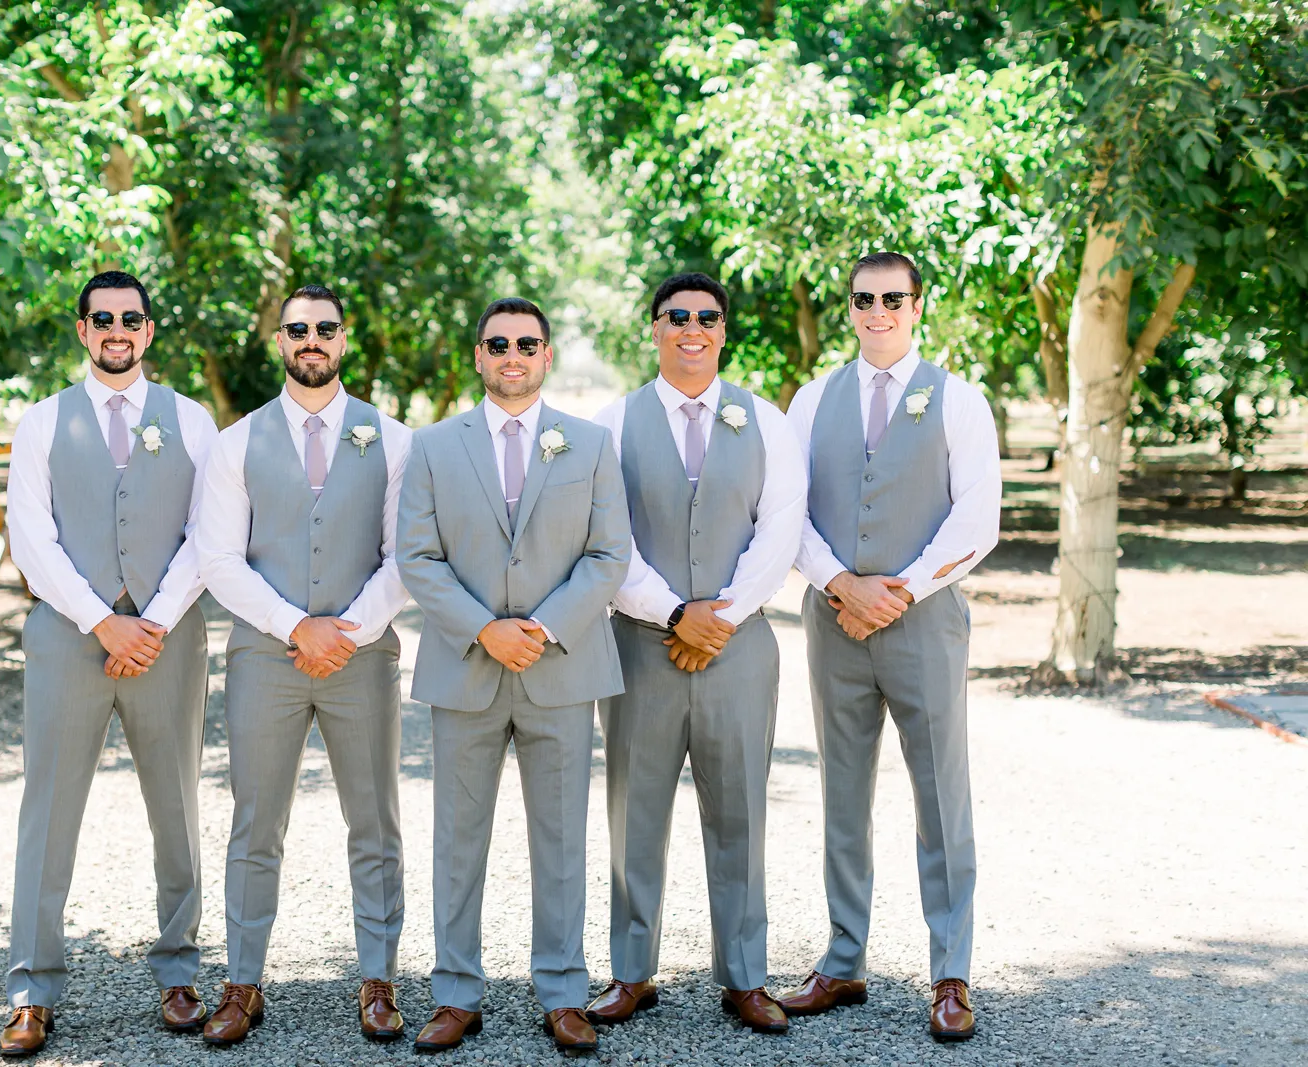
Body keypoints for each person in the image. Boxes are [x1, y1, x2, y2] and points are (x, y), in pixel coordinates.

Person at [396, 297, 630, 1054]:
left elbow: (609, 554)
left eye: (526, 344)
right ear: (478, 356)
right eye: (497, 344)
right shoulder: (433, 446)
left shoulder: (590, 443)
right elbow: (416, 556)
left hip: (560, 667)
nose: (512, 356)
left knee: (562, 840)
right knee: (457, 840)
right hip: (466, 668)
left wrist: (544, 627)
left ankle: (562, 992)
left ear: (546, 355)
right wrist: (484, 629)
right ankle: (455, 993)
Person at [776, 252, 1000, 1042]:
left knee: (941, 795)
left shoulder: (959, 399)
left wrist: (898, 589)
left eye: (892, 299)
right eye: (864, 298)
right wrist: (841, 583)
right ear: (850, 306)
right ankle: (843, 960)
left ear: (917, 305)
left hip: (924, 621)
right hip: (833, 621)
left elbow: (978, 518)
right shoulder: (811, 399)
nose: (878, 311)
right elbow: (787, 511)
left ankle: (951, 972)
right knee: (842, 791)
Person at [1, 270, 217, 1057]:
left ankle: (179, 970)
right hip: (68, 635)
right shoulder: (41, 422)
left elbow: (209, 532)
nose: (117, 330)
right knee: (48, 807)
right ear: (83, 330)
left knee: (177, 803)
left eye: (131, 319)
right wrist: (101, 620)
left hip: (168, 636)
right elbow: (31, 538)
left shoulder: (191, 420)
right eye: (103, 319)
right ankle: (31, 989)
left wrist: (151, 621)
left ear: (149, 331)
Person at [587, 272, 807, 1034]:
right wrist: (676, 614)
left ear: (723, 330)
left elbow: (781, 529)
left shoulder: (766, 420)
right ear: (654, 328)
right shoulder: (613, 424)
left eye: (707, 317)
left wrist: (722, 617)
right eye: (676, 315)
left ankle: (745, 977)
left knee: (740, 809)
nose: (692, 327)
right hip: (640, 646)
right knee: (633, 812)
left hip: (738, 649)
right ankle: (631, 972)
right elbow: (607, 539)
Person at [195, 284, 412, 1045]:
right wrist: (295, 626)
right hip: (265, 654)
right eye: (297, 329)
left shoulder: (394, 439)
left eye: (325, 328)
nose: (311, 339)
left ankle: (379, 980)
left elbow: (405, 555)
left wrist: (345, 632)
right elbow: (218, 558)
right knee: (255, 820)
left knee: (375, 820)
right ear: (280, 341)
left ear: (344, 340)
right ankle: (242, 982)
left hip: (363, 654)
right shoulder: (236, 442)